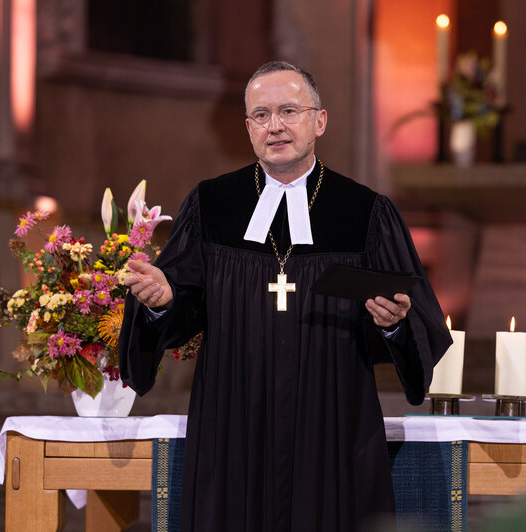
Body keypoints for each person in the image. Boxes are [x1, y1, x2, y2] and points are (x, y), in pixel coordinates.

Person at [118, 61, 451, 531]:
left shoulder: (365, 212)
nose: (274, 126)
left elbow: (417, 325)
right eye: (261, 114)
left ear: (319, 121)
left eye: (289, 111)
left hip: (331, 418)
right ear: (248, 127)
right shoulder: (211, 205)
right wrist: (159, 304)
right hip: (233, 419)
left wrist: (393, 323)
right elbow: (183, 308)